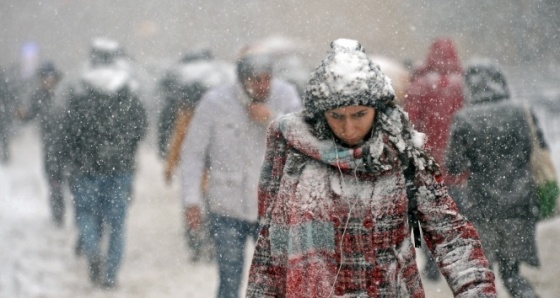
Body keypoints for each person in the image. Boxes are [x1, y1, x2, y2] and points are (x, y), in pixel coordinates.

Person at [246, 39, 496, 297]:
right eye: (337, 116)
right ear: (321, 115)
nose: (349, 128)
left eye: (359, 115)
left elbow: (451, 237)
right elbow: (270, 252)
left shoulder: (402, 157)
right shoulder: (297, 159)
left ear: (376, 110)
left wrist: (477, 291)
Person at [180, 50, 301, 298]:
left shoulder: (285, 95)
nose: (261, 86)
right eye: (255, 80)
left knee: (274, 282)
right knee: (229, 279)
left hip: (271, 208)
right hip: (226, 208)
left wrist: (272, 119)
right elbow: (192, 154)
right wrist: (191, 200)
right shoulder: (215, 103)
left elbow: (303, 139)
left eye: (266, 79)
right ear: (241, 79)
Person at [446, 59, 542, 298]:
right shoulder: (520, 110)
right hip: (519, 205)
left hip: (483, 208)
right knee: (513, 275)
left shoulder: (464, 119)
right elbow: (535, 149)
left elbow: (454, 166)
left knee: (481, 278)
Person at [63, 37, 147, 289]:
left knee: (86, 215)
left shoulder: (79, 89)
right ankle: (110, 275)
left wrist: (74, 156)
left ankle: (91, 249)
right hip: (119, 167)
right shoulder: (128, 89)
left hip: (85, 166)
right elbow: (140, 127)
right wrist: (125, 149)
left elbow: (69, 130)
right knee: (117, 224)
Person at [162, 51, 235, 262]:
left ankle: (195, 245)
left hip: (196, 167)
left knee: (192, 204)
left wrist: (169, 165)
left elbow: (178, 139)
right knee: (213, 207)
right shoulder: (222, 107)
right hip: (217, 167)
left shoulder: (187, 109)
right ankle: (213, 245)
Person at [403, 37, 466, 281]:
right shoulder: (463, 85)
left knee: (430, 216)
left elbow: (408, 122)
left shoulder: (419, 84)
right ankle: (455, 261)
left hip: (428, 164)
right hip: (458, 167)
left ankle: (431, 264)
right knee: (456, 215)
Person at [18, 61, 66, 226]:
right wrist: (20, 114)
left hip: (69, 144)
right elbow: (28, 115)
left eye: (50, 77)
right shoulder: (38, 96)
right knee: (54, 181)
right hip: (50, 145)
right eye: (44, 77)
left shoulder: (65, 94)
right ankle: (58, 213)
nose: (47, 80)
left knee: (71, 182)